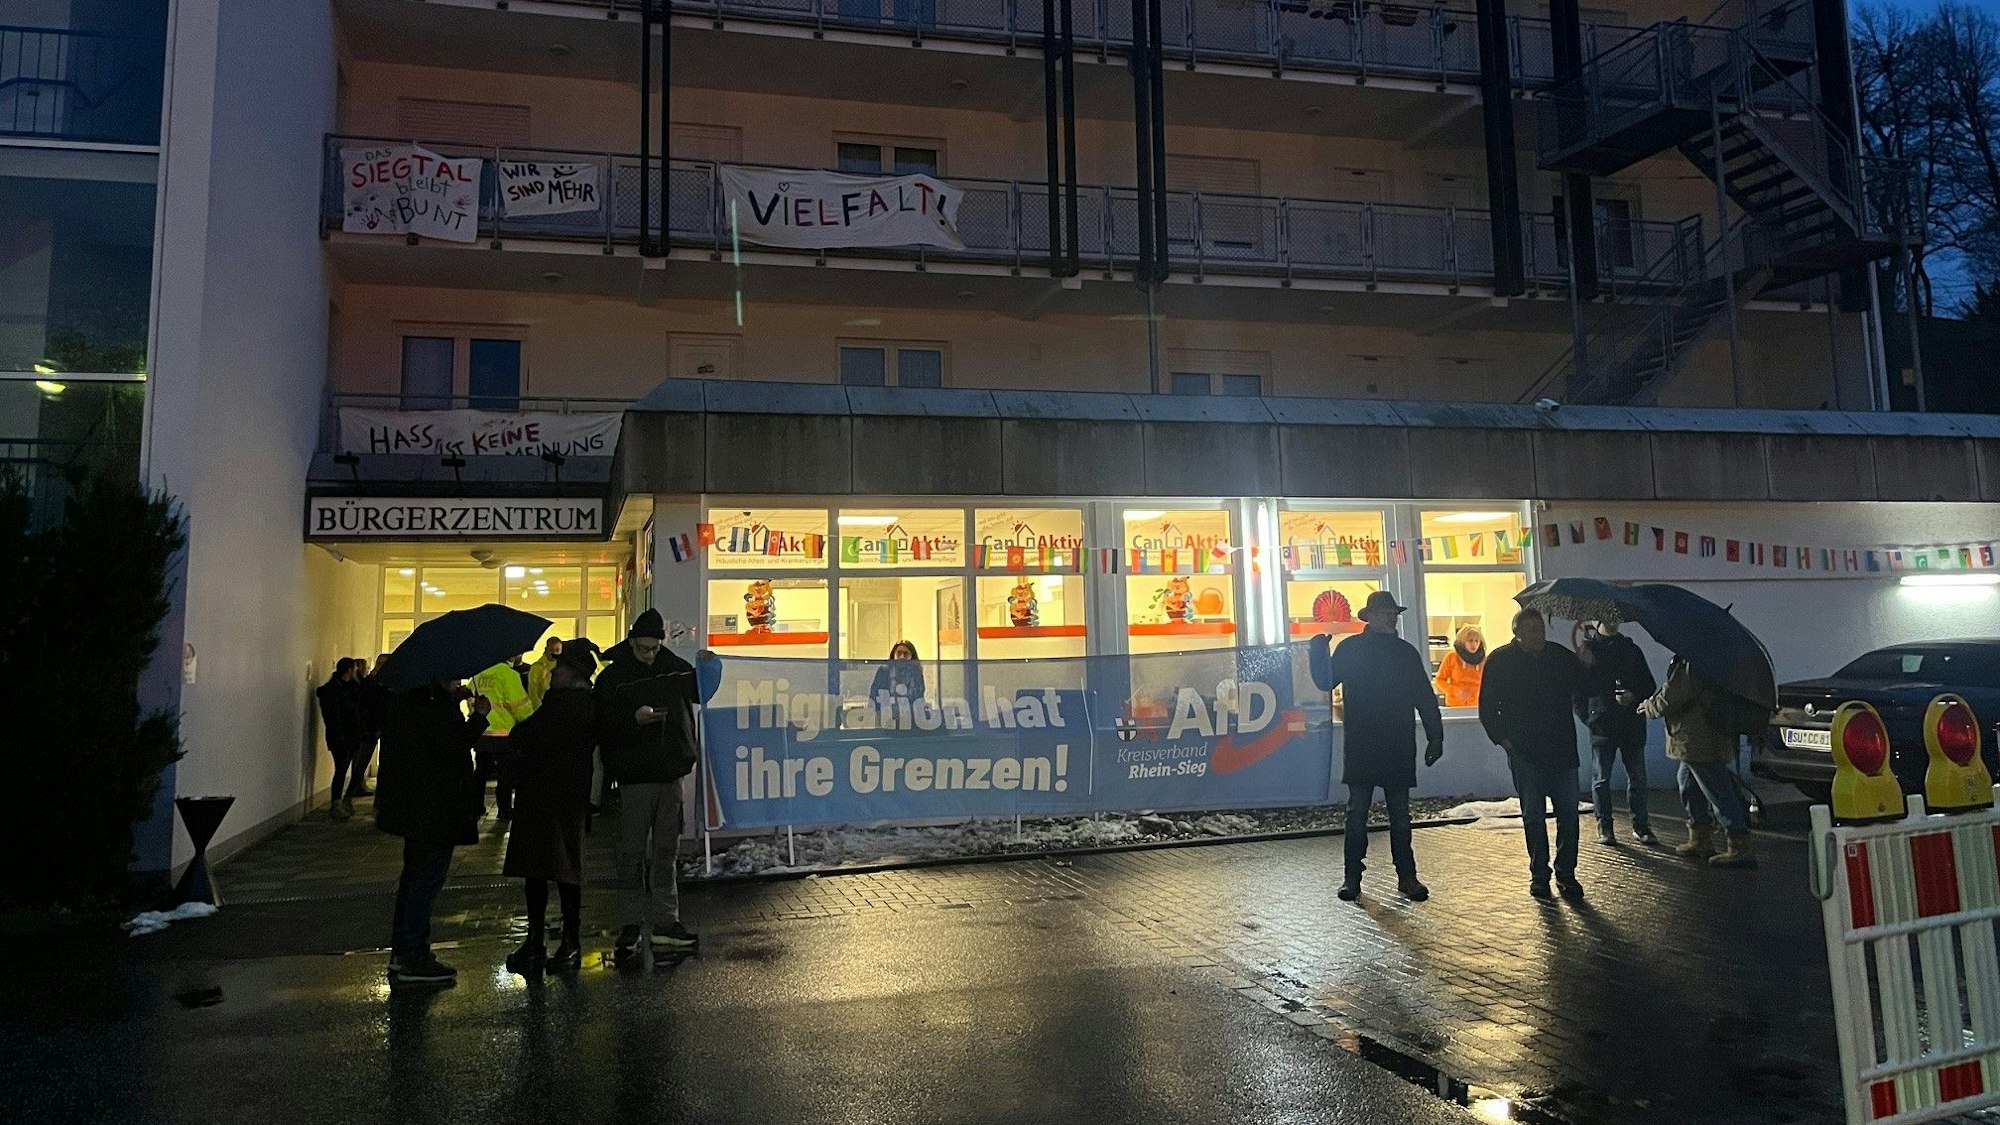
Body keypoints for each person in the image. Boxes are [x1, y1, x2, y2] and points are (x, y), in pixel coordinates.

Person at [596, 609, 721, 968]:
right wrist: (633, 719)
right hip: (636, 777)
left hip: (668, 773)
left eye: (654, 648)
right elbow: (602, 722)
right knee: (632, 853)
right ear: (632, 642)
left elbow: (700, 692)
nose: (649, 655)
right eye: (644, 648)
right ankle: (632, 923)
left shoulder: (674, 667)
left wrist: (711, 667)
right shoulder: (615, 676)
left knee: (666, 850)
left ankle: (665, 921)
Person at [1312, 591, 1445, 903]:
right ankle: (1353, 878)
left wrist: (1436, 736)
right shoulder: (1354, 649)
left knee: (1397, 814)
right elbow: (1325, 681)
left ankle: (1406, 876)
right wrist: (1317, 652)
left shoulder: (1401, 652)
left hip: (1391, 742)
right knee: (1358, 813)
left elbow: (1424, 696)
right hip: (1368, 742)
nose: (1391, 618)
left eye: (1393, 613)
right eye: (1386, 613)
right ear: (1370, 617)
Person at [375, 680, 491, 988]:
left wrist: (451, 700)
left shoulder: (409, 701)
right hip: (435, 809)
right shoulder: (431, 705)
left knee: (414, 878)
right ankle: (412, 955)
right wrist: (478, 717)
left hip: (416, 808)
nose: (458, 681)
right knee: (425, 881)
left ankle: (404, 952)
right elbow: (449, 747)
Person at [503, 640, 602, 976]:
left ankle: (549, 942)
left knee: (550, 871)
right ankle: (558, 941)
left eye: (558, 669)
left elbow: (529, 734)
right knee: (557, 871)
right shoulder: (577, 704)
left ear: (573, 674)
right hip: (560, 798)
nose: (552, 673)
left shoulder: (570, 706)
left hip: (550, 798)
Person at [1479, 607, 1587, 900]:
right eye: (1531, 630)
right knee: (1534, 816)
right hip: (1525, 752)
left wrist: (1587, 665)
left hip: (1562, 749)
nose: (1538, 635)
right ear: (1517, 633)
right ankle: (1540, 874)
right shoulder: (1500, 661)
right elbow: (1487, 706)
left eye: (1540, 629)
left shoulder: (1560, 656)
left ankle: (1566, 874)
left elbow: (1584, 688)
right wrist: (1504, 741)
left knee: (1569, 815)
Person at [1642, 656, 1756, 868]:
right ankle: (1700, 836)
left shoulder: (1694, 662)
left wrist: (1650, 706)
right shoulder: (1710, 659)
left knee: (1716, 789)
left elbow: (1674, 695)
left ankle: (1739, 842)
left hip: (1698, 737)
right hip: (1701, 736)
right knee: (1687, 781)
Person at [1576, 621, 1659, 847]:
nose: (1612, 622)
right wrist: (1590, 719)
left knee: (1637, 778)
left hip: (1631, 725)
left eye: (1614, 618)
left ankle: (1641, 825)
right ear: (1596, 621)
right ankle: (1604, 825)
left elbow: (1649, 686)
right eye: (1606, 618)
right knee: (1601, 779)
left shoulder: (1632, 650)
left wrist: (1633, 696)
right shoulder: (1586, 652)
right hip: (1602, 727)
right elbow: (1577, 692)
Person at [470, 656, 535, 820]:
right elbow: (520, 706)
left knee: (481, 773)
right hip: (504, 735)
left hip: (482, 733)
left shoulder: (478, 674)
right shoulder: (509, 675)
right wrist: (529, 723)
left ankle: (476, 807)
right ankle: (504, 810)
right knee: (505, 775)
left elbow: (471, 699)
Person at [315, 659, 364, 821]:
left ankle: (337, 803)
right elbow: (338, 716)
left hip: (343, 735)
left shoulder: (336, 689)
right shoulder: (339, 691)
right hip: (343, 736)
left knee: (342, 768)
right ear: (349, 670)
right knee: (341, 768)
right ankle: (337, 804)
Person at [351, 654, 392, 799]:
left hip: (382, 726)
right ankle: (352, 792)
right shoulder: (370, 683)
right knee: (361, 761)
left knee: (383, 761)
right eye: (379, 663)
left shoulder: (384, 683)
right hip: (370, 727)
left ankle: (380, 795)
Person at [1433, 624, 1487, 708]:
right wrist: (1453, 691)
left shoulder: (1484, 660)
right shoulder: (1451, 657)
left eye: (1477, 641)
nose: (1474, 644)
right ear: (1463, 641)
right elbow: (1439, 679)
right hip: (1454, 704)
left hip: (1477, 705)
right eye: (1470, 641)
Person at [869, 640, 926, 705]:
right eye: (899, 653)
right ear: (893, 655)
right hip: (887, 709)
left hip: (909, 710)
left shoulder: (916, 674)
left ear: (911, 657)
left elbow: (919, 697)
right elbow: (874, 695)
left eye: (906, 654)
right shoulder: (884, 672)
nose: (902, 657)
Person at [527, 637, 564, 711]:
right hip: (544, 707)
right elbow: (533, 691)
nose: (554, 653)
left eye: (557, 650)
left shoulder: (563, 666)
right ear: (546, 649)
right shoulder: (537, 667)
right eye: (551, 650)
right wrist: (539, 709)